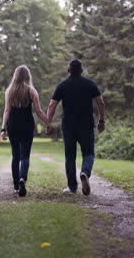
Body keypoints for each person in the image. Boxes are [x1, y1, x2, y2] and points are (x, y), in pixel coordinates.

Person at [46, 59, 105, 195]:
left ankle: (72, 187)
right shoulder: (90, 84)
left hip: (68, 127)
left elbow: (52, 105)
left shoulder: (62, 85)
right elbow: (100, 103)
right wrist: (101, 120)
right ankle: (85, 172)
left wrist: (48, 123)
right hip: (86, 125)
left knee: (70, 157)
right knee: (89, 153)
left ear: (68, 71)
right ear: (82, 70)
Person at [0, 65, 53, 197]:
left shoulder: (9, 91)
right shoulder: (31, 91)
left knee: (15, 156)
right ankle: (23, 178)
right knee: (25, 156)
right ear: (27, 76)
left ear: (15, 76)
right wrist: (48, 123)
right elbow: (39, 111)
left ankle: (16, 186)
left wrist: (3, 129)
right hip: (27, 126)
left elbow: (7, 111)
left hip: (13, 126)